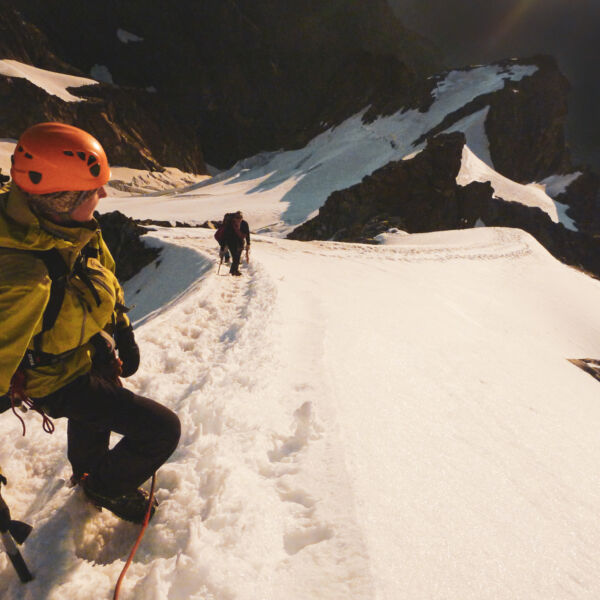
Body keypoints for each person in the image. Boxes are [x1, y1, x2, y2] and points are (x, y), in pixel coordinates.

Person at [0, 122, 180, 524]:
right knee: (161, 430)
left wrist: (121, 326)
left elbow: (103, 272)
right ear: (60, 198)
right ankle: (104, 487)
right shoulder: (22, 278)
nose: (103, 194)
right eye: (92, 190)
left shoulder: (69, 227)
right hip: (52, 377)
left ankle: (87, 472)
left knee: (97, 404)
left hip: (79, 349)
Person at [221, 210, 250, 276]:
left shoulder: (244, 223)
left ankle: (233, 271)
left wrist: (248, 243)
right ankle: (234, 271)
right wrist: (224, 245)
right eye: (237, 218)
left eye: (240, 218)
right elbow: (226, 234)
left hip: (240, 242)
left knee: (237, 257)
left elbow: (247, 234)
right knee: (235, 257)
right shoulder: (231, 224)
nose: (239, 219)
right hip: (231, 242)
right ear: (234, 218)